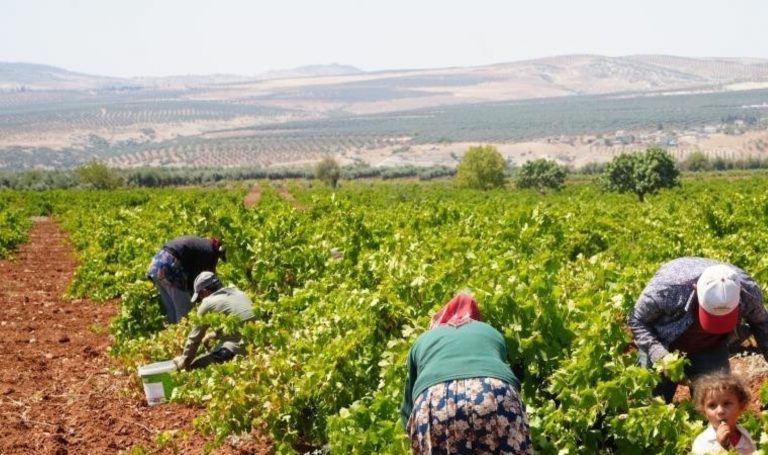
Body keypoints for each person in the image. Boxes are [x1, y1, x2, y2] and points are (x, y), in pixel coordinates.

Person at [399, 293, 533, 454]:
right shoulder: (491, 332)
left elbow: (408, 411)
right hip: (494, 392)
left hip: (435, 399)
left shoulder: (423, 340)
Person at [628, 257, 768, 403]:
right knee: (652, 402)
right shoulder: (668, 290)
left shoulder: (748, 291)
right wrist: (659, 354)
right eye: (711, 316)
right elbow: (637, 319)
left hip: (711, 346)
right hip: (663, 341)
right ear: (696, 290)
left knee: (716, 404)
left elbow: (762, 322)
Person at [172, 271, 254, 370]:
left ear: (204, 292)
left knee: (196, 366)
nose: (200, 301)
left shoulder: (207, 303)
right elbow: (239, 323)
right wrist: (211, 335)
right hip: (259, 346)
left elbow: (194, 339)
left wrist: (184, 361)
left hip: (237, 351)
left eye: (199, 298)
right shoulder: (239, 292)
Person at [147, 235, 226, 323]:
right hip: (169, 267)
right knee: (184, 311)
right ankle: (184, 334)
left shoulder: (202, 244)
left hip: (155, 266)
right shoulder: (210, 252)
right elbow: (201, 277)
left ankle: (173, 333)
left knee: (171, 309)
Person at [691, 373, 755, 454]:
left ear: (741, 406)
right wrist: (725, 446)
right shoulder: (702, 444)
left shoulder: (744, 434)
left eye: (727, 403)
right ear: (704, 412)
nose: (720, 411)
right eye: (712, 405)